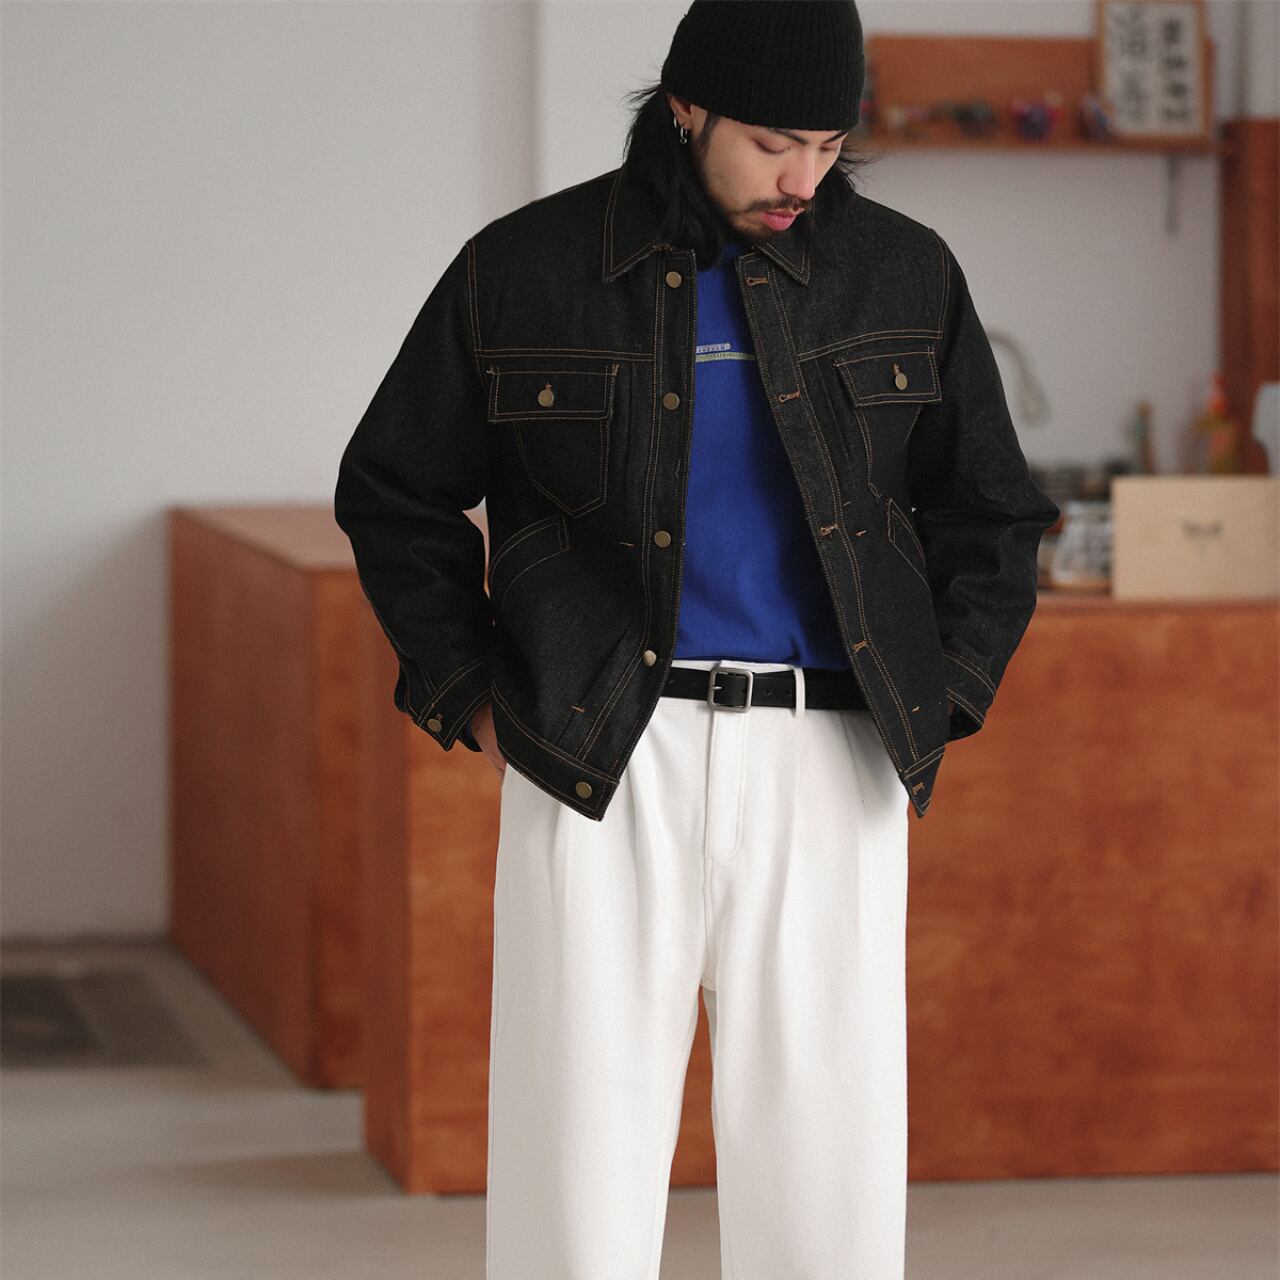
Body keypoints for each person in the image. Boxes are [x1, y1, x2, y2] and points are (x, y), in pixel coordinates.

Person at [334, 3, 1060, 1275]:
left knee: (826, 1171)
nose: (802, 180)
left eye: (827, 147)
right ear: (686, 108)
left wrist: (934, 693)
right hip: (601, 754)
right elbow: (393, 492)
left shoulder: (901, 271)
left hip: (830, 757)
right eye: (774, 142)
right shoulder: (525, 268)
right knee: (575, 1162)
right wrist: (475, 695)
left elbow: (992, 510)